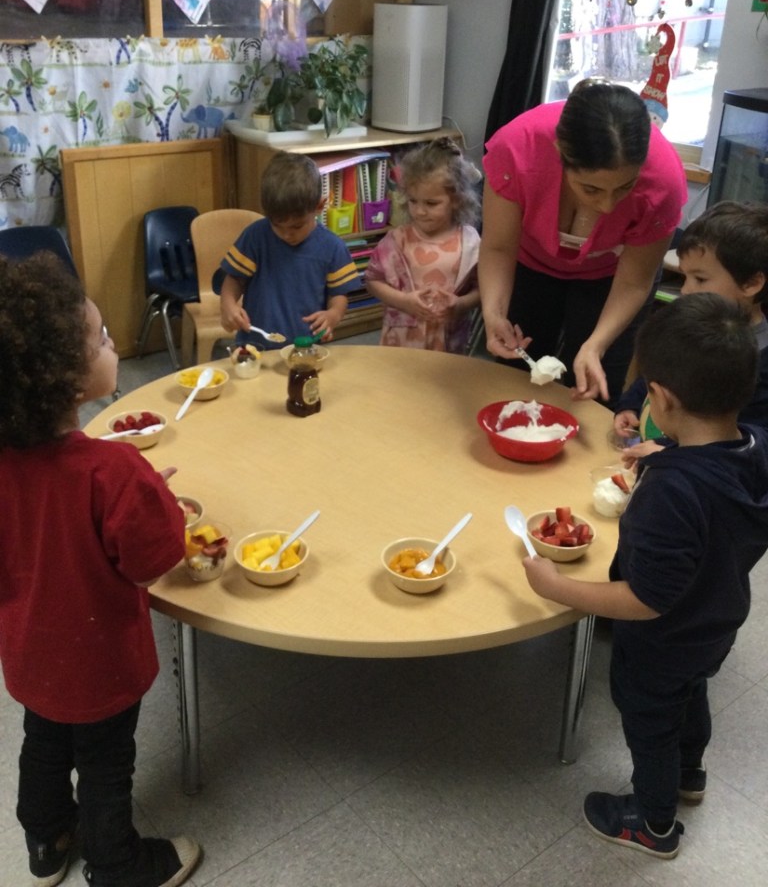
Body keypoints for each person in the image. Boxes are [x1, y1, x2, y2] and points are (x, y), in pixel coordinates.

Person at [523, 293, 768, 860]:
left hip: (661, 639)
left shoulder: (672, 493)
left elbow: (646, 598)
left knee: (651, 721)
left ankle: (653, 823)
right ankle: (690, 774)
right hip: (716, 620)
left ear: (662, 397)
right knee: (692, 693)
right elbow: (714, 469)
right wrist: (670, 448)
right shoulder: (755, 449)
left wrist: (558, 588)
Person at [0, 253, 200, 887]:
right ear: (67, 378)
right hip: (100, 660)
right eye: (103, 338)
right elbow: (154, 562)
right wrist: (158, 503)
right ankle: (116, 865)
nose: (113, 343)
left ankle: (46, 842)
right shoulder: (114, 473)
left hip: (30, 654)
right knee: (106, 762)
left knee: (43, 743)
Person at [479, 78, 687, 407]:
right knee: (517, 371)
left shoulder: (664, 181)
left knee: (596, 383)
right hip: (530, 263)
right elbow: (498, 247)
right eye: (591, 189)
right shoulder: (518, 149)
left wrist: (596, 345)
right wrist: (493, 314)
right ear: (559, 153)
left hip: (612, 279)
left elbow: (634, 282)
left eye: (625, 187)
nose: (607, 206)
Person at [615, 200, 768, 452]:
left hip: (696, 470)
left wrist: (673, 454)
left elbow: (750, 445)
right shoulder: (685, 327)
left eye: (700, 279)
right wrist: (629, 406)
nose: (685, 290)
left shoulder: (760, 362)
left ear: (751, 284)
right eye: (685, 276)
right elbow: (655, 375)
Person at [216, 151, 362, 348]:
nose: (287, 234)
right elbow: (234, 279)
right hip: (256, 344)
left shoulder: (333, 247)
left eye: (296, 226)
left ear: (319, 206)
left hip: (307, 346)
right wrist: (227, 304)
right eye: (277, 225)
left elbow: (339, 295)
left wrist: (333, 314)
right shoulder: (255, 236)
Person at [365, 137, 481, 353]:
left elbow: (482, 288)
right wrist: (404, 301)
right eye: (413, 201)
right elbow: (373, 280)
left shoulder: (470, 242)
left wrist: (461, 304)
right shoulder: (397, 240)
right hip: (403, 339)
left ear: (457, 200)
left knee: (444, 375)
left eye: (431, 203)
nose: (419, 211)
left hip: (449, 339)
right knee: (401, 374)